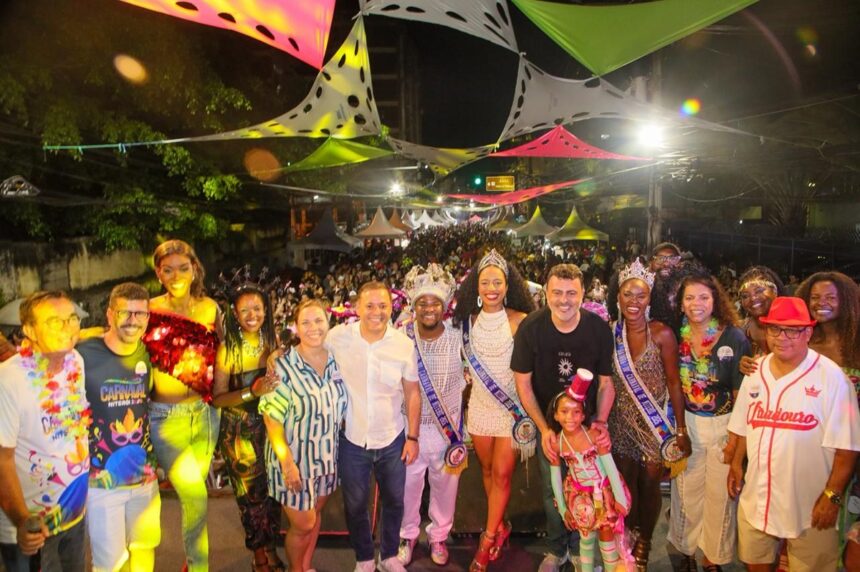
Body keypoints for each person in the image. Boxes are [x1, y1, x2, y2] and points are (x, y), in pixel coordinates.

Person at [727, 297, 860, 572]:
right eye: (775, 328)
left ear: (808, 332)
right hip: (757, 494)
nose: (782, 337)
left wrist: (832, 496)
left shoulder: (833, 378)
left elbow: (847, 447)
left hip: (810, 503)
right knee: (755, 561)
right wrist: (736, 464)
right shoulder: (755, 370)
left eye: (792, 330)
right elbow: (743, 425)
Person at [512, 263, 615, 572]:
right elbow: (523, 383)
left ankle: (582, 549)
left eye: (572, 293)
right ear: (546, 292)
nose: (564, 300)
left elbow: (606, 384)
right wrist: (544, 429)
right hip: (551, 426)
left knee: (591, 488)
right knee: (552, 490)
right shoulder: (531, 327)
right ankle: (556, 550)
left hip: (586, 424)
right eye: (557, 292)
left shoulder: (598, 329)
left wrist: (600, 422)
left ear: (583, 294)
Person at [326, 281, 421, 572]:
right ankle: (365, 558)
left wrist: (413, 437)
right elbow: (309, 349)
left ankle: (389, 556)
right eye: (369, 306)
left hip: (393, 437)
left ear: (391, 307)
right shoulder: (338, 338)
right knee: (355, 505)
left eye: (383, 306)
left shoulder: (403, 345)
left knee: (394, 501)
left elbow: (412, 393)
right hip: (353, 438)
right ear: (357, 308)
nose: (376, 312)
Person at [141, 239, 221, 572]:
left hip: (206, 415)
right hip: (166, 420)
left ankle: (191, 561)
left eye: (183, 268)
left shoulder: (210, 308)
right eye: (168, 270)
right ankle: (199, 566)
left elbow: (225, 357)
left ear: (194, 269)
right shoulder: (147, 310)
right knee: (196, 496)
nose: (176, 276)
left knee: (194, 497)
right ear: (158, 273)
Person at [453, 249, 536, 571]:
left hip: (511, 412)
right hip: (480, 408)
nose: (491, 288)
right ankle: (500, 525)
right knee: (486, 471)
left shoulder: (521, 320)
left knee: (501, 474)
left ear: (508, 286)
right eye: (485, 282)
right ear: (476, 286)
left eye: (497, 282)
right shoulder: (467, 322)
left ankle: (487, 541)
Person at [606, 258, 690, 571]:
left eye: (641, 295)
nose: (634, 301)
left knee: (651, 483)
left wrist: (680, 429)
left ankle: (645, 541)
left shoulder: (662, 334)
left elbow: (674, 383)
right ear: (618, 298)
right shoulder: (610, 333)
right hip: (619, 423)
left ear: (650, 298)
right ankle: (629, 534)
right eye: (628, 294)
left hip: (654, 426)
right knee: (625, 484)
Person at [667, 273, 751, 572]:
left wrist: (736, 439)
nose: (696, 304)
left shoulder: (734, 338)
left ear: (715, 301)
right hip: (686, 422)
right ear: (681, 304)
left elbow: (742, 394)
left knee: (720, 495)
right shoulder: (676, 335)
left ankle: (712, 556)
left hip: (724, 424)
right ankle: (686, 549)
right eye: (689, 298)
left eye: (704, 297)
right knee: (685, 491)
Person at [0, 291, 89, 572]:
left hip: (74, 513)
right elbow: (2, 460)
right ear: (29, 330)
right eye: (54, 321)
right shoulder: (9, 379)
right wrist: (22, 520)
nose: (67, 327)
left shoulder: (76, 361)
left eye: (72, 318)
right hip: (31, 528)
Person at [77, 283, 161, 572]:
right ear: (110, 314)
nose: (132, 321)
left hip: (145, 478)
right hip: (101, 483)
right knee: (110, 564)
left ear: (148, 318)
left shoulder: (150, 353)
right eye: (125, 312)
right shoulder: (83, 353)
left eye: (140, 314)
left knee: (144, 547)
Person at [260, 299, 347, 572]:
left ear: (328, 323)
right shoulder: (283, 366)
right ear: (296, 327)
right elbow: (271, 418)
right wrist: (287, 464)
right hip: (294, 460)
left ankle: (306, 566)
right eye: (305, 322)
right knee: (304, 523)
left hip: (327, 457)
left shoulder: (338, 360)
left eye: (318, 320)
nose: (313, 328)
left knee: (315, 514)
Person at [396, 264, 465, 567]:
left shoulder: (458, 337)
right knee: (408, 489)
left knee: (446, 490)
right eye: (422, 302)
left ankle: (438, 536)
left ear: (444, 305)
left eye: (434, 302)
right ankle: (407, 535)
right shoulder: (401, 338)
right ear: (413, 305)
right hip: (410, 432)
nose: (428, 308)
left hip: (447, 433)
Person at [212, 282, 283, 572]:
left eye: (257, 308)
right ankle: (259, 555)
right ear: (235, 314)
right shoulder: (227, 349)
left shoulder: (272, 341)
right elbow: (218, 398)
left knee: (273, 492)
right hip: (239, 431)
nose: (252, 315)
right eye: (245, 310)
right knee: (250, 496)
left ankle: (271, 546)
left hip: (271, 426)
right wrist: (250, 392)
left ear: (266, 310)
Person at [795, 272, 860, 568]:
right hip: (812, 445)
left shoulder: (856, 344)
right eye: (815, 298)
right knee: (812, 522)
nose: (822, 303)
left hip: (852, 449)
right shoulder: (802, 343)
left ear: (845, 301)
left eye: (831, 297)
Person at [547, 371, 632, 572]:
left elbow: (610, 468)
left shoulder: (594, 436)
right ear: (556, 415)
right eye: (564, 412)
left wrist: (620, 498)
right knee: (585, 538)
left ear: (584, 415)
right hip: (580, 498)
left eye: (576, 412)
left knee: (606, 535)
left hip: (604, 493)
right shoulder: (557, 444)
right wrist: (563, 509)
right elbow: (555, 477)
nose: (570, 417)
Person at [736, 266, 785, 376]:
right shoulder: (739, 329)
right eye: (745, 296)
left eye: (759, 291)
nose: (753, 298)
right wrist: (740, 365)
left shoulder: (794, 327)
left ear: (775, 291)